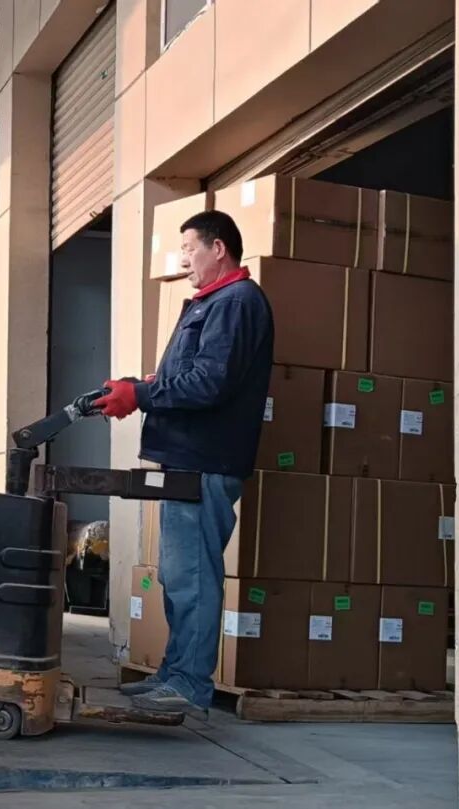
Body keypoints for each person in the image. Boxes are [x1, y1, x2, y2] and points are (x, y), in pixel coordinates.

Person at [93, 210, 274, 718]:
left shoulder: (235, 302)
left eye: (190, 249)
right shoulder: (212, 303)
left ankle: (190, 685)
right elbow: (190, 374)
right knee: (179, 575)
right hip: (188, 459)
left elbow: (209, 384)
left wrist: (141, 395)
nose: (183, 260)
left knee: (192, 575)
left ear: (219, 249)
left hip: (205, 461)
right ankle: (176, 673)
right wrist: (141, 385)